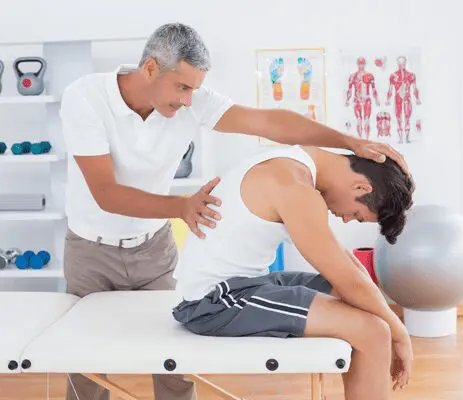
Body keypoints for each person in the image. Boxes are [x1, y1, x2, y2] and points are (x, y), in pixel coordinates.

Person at [59, 21, 411, 400]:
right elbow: (106, 193)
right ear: (149, 69)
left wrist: (347, 140)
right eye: (182, 87)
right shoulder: (86, 97)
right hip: (91, 249)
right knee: (88, 367)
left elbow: (268, 120)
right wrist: (182, 206)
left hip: (153, 247)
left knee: (174, 367)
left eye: (194, 88)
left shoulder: (196, 105)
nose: (189, 99)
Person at [172, 144, 415, 400]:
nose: (345, 219)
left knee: (364, 306)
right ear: (361, 187)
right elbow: (347, 278)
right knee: (373, 331)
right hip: (214, 302)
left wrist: (393, 326)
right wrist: (400, 335)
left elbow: (347, 265)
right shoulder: (294, 186)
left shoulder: (295, 164)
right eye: (356, 214)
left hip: (248, 284)